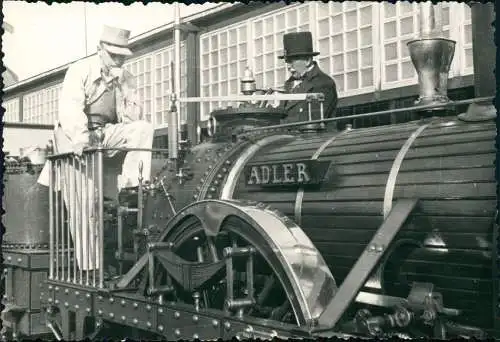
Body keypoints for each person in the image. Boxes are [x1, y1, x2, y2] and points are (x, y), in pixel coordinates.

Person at [37, 25, 154, 275]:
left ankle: (134, 185)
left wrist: (124, 93)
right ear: (100, 49)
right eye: (114, 55)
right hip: (77, 142)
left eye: (122, 56)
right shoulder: (80, 70)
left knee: (143, 128)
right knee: (85, 206)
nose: (119, 60)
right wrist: (81, 139)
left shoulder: (126, 78)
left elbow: (133, 118)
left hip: (106, 135)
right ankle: (91, 269)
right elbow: (69, 109)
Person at [277, 31, 338, 128]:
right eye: (286, 62)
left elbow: (311, 120)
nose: (288, 66)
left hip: (315, 140)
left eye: (292, 61)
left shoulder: (324, 83)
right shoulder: (289, 84)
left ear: (307, 60)